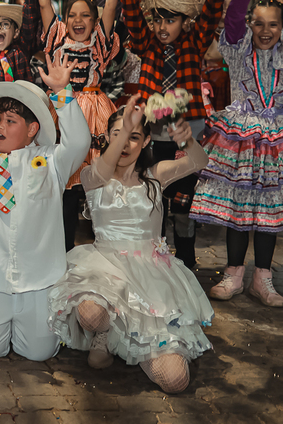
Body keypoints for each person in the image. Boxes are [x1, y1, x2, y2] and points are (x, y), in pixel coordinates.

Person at [48, 99, 213, 393]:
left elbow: (199, 162)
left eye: (134, 137)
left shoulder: (156, 175)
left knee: (176, 381)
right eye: (117, 135)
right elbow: (104, 167)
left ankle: (139, 342)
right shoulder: (92, 176)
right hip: (104, 269)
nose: (125, 143)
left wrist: (187, 140)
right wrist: (126, 129)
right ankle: (104, 333)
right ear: (107, 137)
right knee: (91, 314)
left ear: (146, 141)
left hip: (151, 277)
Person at [0, 57, 90, 362]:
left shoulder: (51, 160)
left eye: (10, 120)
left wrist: (63, 93)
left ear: (32, 129)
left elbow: (80, 143)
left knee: (40, 353)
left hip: (38, 279)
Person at [119, 0, 231, 268]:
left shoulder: (194, 42)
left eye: (171, 20)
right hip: (155, 132)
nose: (162, 26)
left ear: (185, 22)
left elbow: (212, 12)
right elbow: (131, 11)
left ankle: (185, 260)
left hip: (189, 131)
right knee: (155, 196)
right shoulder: (146, 43)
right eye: (158, 20)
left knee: (184, 201)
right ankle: (155, 259)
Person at [194, 0, 283, 305]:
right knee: (239, 207)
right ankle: (233, 274)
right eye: (258, 23)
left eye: (273, 24)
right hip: (242, 137)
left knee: (269, 209)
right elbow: (232, 20)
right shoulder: (238, 50)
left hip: (275, 139)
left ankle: (263, 278)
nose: (265, 30)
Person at [44, 0, 124, 250]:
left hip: (95, 109)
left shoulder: (99, 43)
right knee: (65, 187)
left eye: (86, 16)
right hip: (64, 108)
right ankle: (63, 251)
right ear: (65, 21)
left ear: (95, 20)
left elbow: (112, 6)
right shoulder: (57, 40)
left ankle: (104, 247)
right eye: (72, 15)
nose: (78, 20)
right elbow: (44, 5)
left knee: (97, 185)